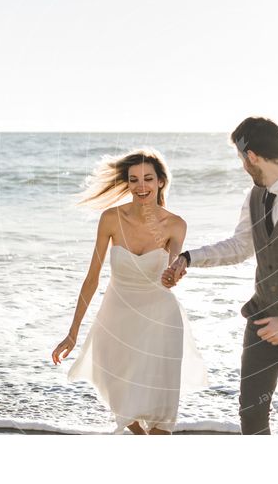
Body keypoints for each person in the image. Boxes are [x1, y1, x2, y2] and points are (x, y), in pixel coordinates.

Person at [162, 117, 278, 435]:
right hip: (262, 319)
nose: (242, 167)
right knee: (250, 415)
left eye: (240, 159)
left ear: (251, 156)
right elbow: (239, 246)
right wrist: (188, 258)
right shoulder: (255, 196)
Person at [51, 148, 207, 435]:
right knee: (122, 401)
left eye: (148, 178)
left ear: (161, 181)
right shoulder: (111, 218)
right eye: (133, 179)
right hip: (116, 320)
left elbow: (173, 266)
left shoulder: (175, 224)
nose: (141, 186)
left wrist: (174, 274)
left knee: (161, 416)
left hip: (161, 321)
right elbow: (92, 279)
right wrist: (73, 332)